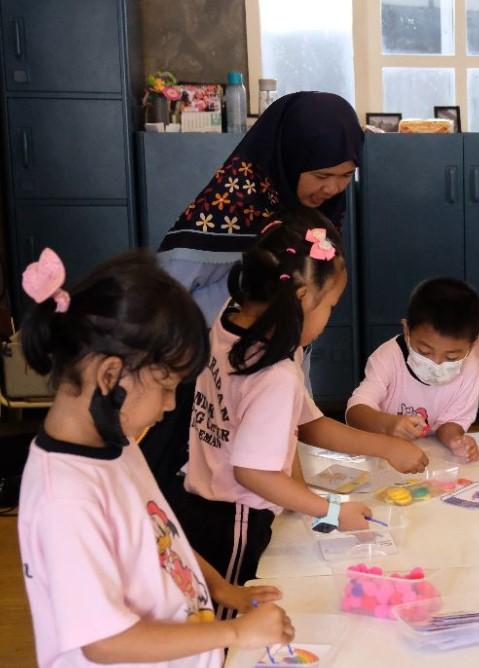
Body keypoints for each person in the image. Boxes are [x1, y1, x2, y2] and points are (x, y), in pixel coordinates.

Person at [17, 250, 292, 667]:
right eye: (166, 388)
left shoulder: (117, 444)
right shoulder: (65, 498)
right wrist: (234, 632)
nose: (169, 406)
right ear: (110, 376)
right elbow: (104, 641)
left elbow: (163, 538)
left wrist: (223, 590)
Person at [173, 210, 428, 600]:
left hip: (200, 499)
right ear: (302, 299)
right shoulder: (275, 373)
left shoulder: (233, 319)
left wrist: (386, 446)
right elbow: (252, 472)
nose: (328, 319)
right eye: (330, 307)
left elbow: (305, 423)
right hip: (235, 517)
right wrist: (331, 511)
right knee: (233, 612)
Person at [143, 91, 363, 492]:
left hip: (262, 373)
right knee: (206, 482)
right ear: (290, 156)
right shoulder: (232, 205)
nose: (333, 188)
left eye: (346, 175)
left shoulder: (316, 219)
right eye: (321, 175)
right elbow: (160, 295)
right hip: (201, 379)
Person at [347, 278, 479, 463]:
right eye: (424, 352)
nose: (436, 364)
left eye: (451, 357)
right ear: (407, 330)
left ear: (472, 345)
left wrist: (455, 440)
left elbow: (451, 422)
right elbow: (355, 412)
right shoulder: (389, 357)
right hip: (382, 454)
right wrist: (388, 425)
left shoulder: (470, 366)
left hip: (431, 459)